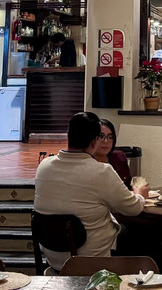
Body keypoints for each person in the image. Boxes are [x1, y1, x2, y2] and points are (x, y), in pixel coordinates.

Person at [32, 111, 147, 270]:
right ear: (94, 142)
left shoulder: (44, 167)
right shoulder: (101, 171)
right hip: (90, 262)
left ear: (69, 136)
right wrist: (140, 194)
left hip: (54, 260)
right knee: (142, 236)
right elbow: (133, 208)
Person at [93, 119, 132, 187]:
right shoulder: (84, 160)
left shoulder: (119, 157)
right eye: (101, 136)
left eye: (110, 137)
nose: (106, 141)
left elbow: (129, 184)